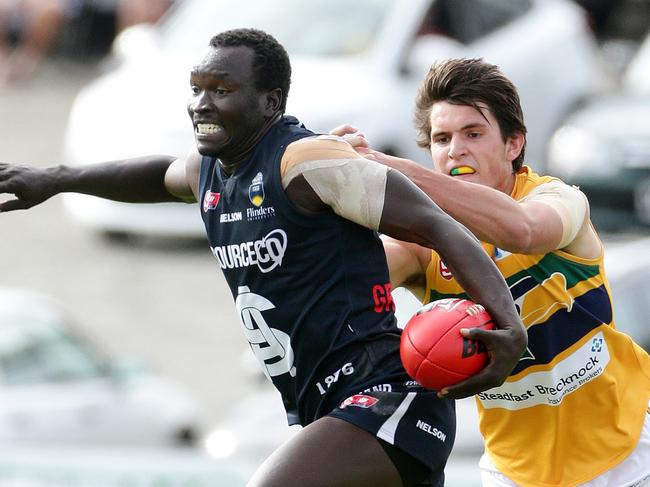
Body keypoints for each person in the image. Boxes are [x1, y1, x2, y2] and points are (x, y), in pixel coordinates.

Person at [0, 29, 527, 486]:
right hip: (324, 408)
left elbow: (438, 224)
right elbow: (152, 174)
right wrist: (56, 179)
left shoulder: (306, 162)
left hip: (387, 399)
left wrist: (510, 327)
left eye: (223, 91)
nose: (202, 104)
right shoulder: (209, 169)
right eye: (197, 89)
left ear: (271, 102)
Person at [332, 58, 650, 486]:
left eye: (473, 134)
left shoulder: (557, 198)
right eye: (441, 139)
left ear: (514, 144)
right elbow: (344, 283)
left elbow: (522, 230)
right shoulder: (422, 242)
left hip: (629, 452)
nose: (455, 149)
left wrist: (387, 167)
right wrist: (313, 186)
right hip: (514, 472)